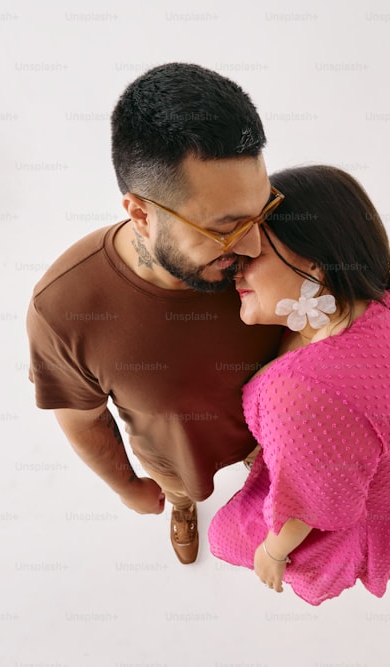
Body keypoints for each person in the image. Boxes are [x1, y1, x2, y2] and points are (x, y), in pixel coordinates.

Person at [25, 63, 282, 565]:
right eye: (226, 228)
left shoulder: (274, 235)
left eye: (261, 210)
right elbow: (82, 418)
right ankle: (184, 507)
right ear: (141, 213)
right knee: (182, 488)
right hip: (177, 462)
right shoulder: (62, 310)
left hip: (276, 436)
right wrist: (127, 487)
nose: (256, 245)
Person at [207, 164, 390, 605]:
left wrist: (273, 552)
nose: (235, 268)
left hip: (354, 515)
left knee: (222, 537)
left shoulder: (300, 390)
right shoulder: (384, 303)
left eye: (253, 255)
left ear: (314, 264)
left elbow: (311, 508)